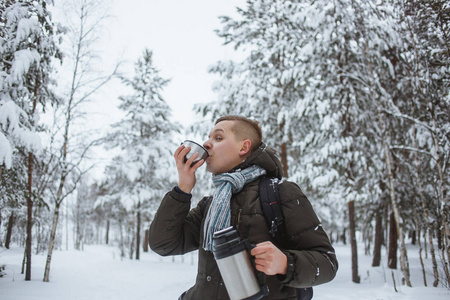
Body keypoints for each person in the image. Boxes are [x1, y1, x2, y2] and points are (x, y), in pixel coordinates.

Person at [149, 115, 338, 299]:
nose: (207, 143)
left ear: (244, 147)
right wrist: (183, 189)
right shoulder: (211, 204)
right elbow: (163, 244)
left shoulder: (281, 193)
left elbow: (327, 263)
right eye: (208, 137)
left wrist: (284, 263)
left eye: (218, 137)